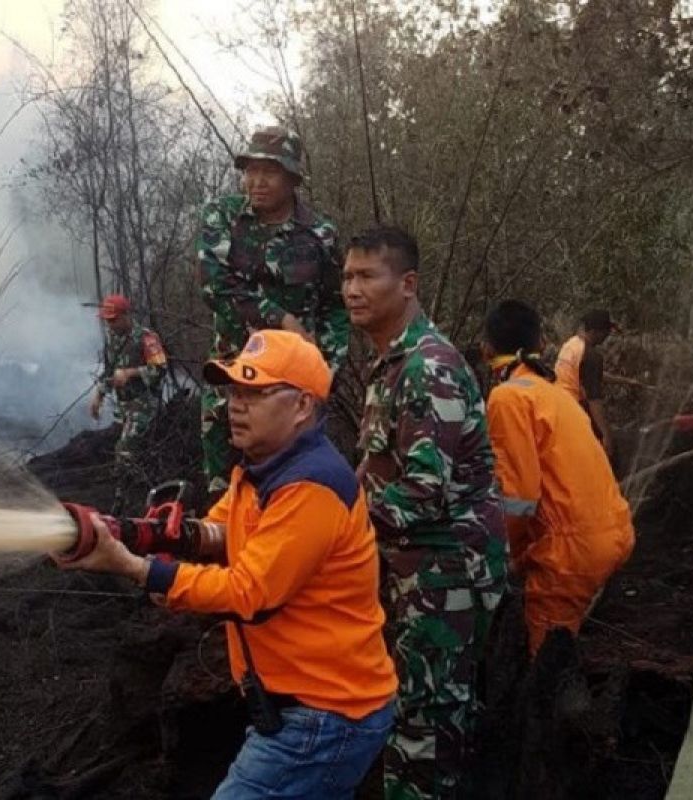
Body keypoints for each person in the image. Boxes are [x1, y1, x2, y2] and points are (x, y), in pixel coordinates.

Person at [64, 329, 397, 799]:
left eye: (254, 393)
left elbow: (249, 593)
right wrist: (154, 532)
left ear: (302, 406)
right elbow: (222, 532)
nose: (234, 405)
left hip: (325, 717)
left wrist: (135, 568)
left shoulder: (310, 486)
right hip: (305, 710)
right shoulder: (261, 469)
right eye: (234, 391)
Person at [345, 225, 506, 799]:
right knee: (422, 709)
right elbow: (377, 469)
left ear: (407, 283)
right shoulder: (391, 363)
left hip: (446, 573)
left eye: (367, 276)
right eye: (346, 276)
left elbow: (422, 493)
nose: (352, 289)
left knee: (425, 723)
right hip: (417, 567)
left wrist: (335, 530)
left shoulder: (426, 367)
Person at [196, 125, 350, 499]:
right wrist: (282, 319)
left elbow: (336, 306)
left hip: (291, 393)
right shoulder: (223, 217)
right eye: (250, 171)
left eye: (269, 172)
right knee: (226, 494)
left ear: (292, 177)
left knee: (295, 488)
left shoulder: (320, 234)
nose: (257, 181)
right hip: (233, 382)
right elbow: (215, 286)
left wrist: (327, 367)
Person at [484, 300, 635, 655]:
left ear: (486, 349)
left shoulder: (506, 398)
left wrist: (499, 557)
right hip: (614, 531)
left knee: (547, 665)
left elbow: (518, 499)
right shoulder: (555, 395)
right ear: (541, 345)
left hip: (572, 552)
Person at [89, 294, 168, 464]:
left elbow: (160, 369)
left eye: (113, 320)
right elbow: (110, 371)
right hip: (123, 407)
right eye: (107, 321)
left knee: (125, 451)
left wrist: (130, 373)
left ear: (125, 316)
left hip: (144, 405)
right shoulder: (113, 340)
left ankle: (126, 487)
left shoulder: (146, 338)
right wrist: (99, 396)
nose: (110, 325)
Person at [554, 309, 619, 458]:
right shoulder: (592, 356)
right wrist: (606, 435)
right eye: (606, 332)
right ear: (596, 332)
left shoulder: (571, 345)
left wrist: (628, 382)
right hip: (574, 412)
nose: (607, 337)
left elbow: (585, 374)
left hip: (558, 407)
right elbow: (594, 401)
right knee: (604, 450)